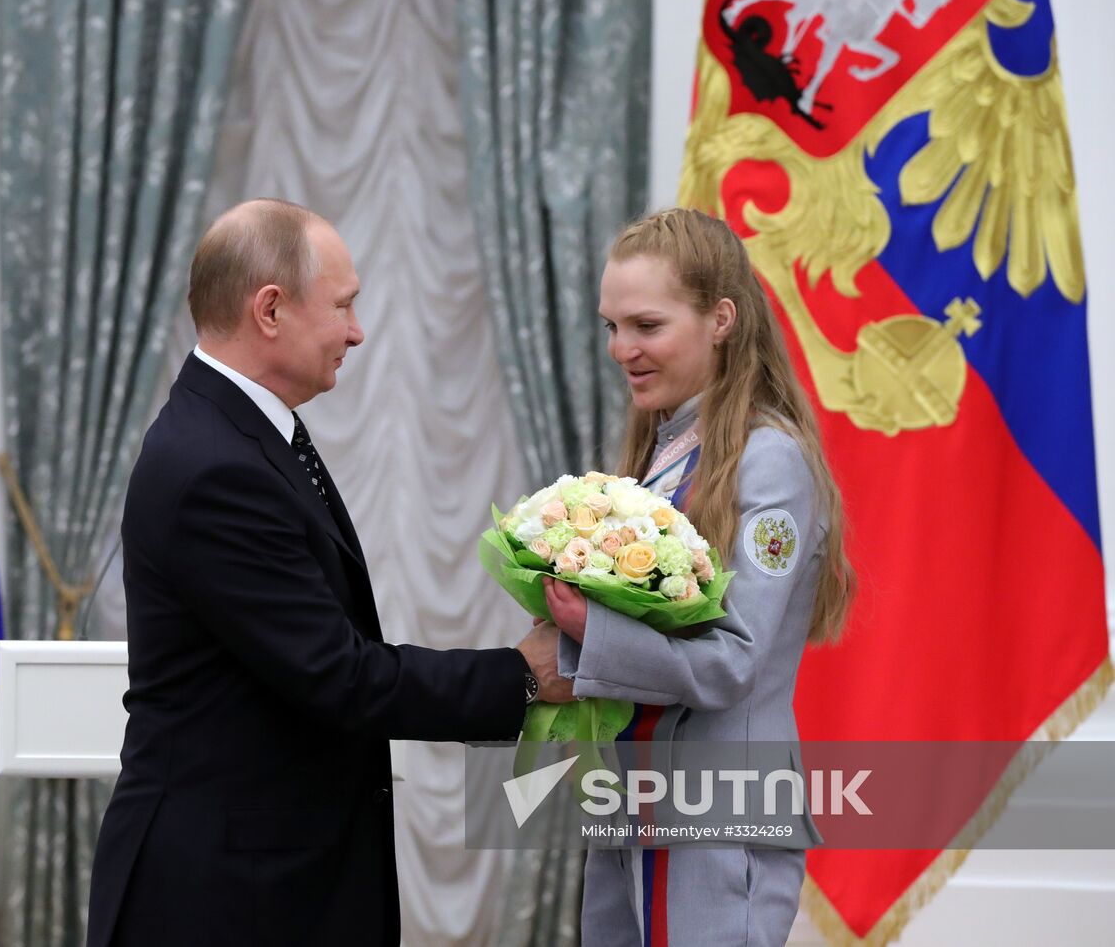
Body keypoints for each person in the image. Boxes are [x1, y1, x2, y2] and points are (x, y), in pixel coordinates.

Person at [85, 198, 571, 947]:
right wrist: (522, 673)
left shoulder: (238, 433)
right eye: (343, 306)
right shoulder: (213, 466)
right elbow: (339, 678)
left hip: (263, 877)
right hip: (226, 899)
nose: (357, 330)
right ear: (270, 309)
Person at [537, 208, 855, 946]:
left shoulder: (766, 458)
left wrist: (593, 633)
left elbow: (734, 662)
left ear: (720, 318)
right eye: (611, 327)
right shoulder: (664, 451)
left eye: (646, 326)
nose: (623, 349)